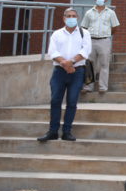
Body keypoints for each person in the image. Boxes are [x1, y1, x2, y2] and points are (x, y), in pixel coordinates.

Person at [37, 8, 91, 142]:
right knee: (55, 101)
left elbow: (86, 51)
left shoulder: (84, 33)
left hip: (77, 71)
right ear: (64, 18)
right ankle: (53, 131)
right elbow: (52, 52)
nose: (71, 18)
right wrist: (65, 64)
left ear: (77, 18)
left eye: (74, 16)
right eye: (69, 16)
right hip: (59, 72)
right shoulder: (57, 34)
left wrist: (71, 62)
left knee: (72, 102)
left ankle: (67, 131)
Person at [80, 0, 119, 93]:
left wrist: (106, 34)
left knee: (104, 64)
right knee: (89, 64)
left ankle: (103, 87)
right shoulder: (89, 13)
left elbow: (115, 27)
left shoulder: (111, 13)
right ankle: (88, 87)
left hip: (104, 40)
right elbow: (84, 27)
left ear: (106, 0)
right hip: (91, 40)